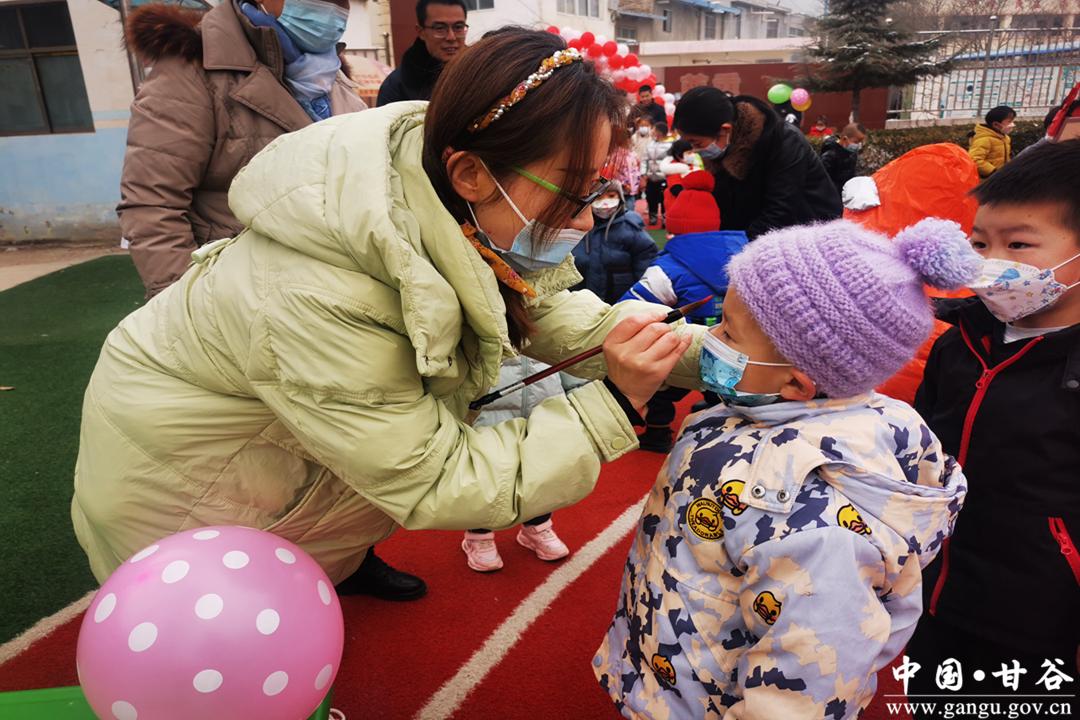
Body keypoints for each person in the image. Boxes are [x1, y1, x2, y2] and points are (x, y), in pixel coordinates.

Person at [71, 31, 709, 602]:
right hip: (190, 514)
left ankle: (338, 570)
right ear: (469, 173)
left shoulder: (445, 201)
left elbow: (559, 316)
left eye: (596, 189)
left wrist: (726, 357)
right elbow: (439, 477)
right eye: (570, 189)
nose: (582, 218)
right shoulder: (319, 297)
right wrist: (615, 404)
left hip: (275, 478)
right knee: (222, 676)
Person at [595, 217, 980, 718]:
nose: (709, 337)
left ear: (797, 383)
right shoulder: (751, 409)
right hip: (678, 666)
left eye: (727, 330)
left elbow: (805, 686)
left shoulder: (821, 521)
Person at [905, 140, 1080, 715]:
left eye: (1019, 244)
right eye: (980, 242)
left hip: (1038, 619)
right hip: (933, 596)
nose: (991, 260)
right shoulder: (961, 341)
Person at [118, 0, 367, 299]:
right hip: (239, 296)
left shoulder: (335, 77)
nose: (331, 10)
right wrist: (188, 307)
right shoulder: (193, 68)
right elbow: (153, 204)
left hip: (332, 293)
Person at [623, 170, 747, 453]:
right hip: (732, 347)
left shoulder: (668, 269)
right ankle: (724, 431)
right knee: (725, 389)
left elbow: (631, 305)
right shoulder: (746, 258)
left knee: (661, 390)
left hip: (682, 348)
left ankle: (657, 433)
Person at [673, 86, 842, 240]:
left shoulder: (783, 140)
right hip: (763, 233)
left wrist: (738, 244)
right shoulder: (722, 146)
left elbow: (782, 208)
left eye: (696, 143)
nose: (696, 150)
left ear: (725, 129)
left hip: (809, 233)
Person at [460, 356, 573, 573]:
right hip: (489, 406)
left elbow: (566, 350)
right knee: (487, 473)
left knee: (541, 471)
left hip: (543, 400)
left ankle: (536, 526)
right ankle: (479, 535)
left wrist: (575, 388)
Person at [571, 188, 658, 305]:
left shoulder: (631, 227)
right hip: (581, 300)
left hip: (621, 300)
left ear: (620, 198)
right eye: (598, 197)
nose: (605, 203)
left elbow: (645, 266)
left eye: (611, 196)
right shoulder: (577, 227)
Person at [376, 0, 466, 105]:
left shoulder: (478, 73)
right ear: (421, 32)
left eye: (458, 27)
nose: (451, 37)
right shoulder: (396, 87)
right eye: (440, 28)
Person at [967, 104, 1015, 178]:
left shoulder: (1005, 138)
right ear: (996, 125)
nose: (1012, 125)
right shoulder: (984, 140)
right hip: (987, 180)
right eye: (1009, 122)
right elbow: (975, 160)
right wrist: (993, 172)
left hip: (1000, 177)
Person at [820, 122, 867, 194]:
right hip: (832, 196)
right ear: (845, 139)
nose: (858, 145)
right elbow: (822, 180)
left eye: (860, 142)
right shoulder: (830, 156)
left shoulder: (851, 153)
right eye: (856, 142)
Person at [642, 122, 673, 226]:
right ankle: (653, 217)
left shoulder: (671, 145)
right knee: (651, 197)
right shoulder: (650, 144)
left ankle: (665, 218)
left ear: (659, 132)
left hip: (665, 178)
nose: (652, 131)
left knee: (665, 199)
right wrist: (643, 174)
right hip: (651, 178)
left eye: (654, 129)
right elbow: (644, 160)